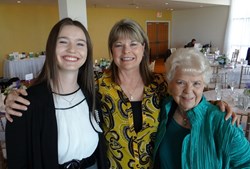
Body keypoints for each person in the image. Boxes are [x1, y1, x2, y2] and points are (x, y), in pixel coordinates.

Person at [5, 19, 235, 169]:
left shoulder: (160, 85)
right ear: (111, 51)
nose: (127, 51)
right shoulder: (95, 85)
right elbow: (59, 87)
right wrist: (15, 95)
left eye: (134, 44)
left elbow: (186, 97)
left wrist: (214, 104)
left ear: (143, 48)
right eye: (118, 45)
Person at [5, 18, 106, 169]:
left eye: (80, 43)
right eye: (63, 42)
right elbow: (17, 161)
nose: (72, 49)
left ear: (88, 51)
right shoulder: (25, 104)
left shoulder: (92, 95)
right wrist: (8, 97)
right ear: (51, 47)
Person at [153, 48, 250, 169]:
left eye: (196, 83)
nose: (188, 91)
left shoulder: (223, 121)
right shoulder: (163, 108)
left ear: (204, 85)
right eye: (180, 82)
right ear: (170, 83)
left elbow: (247, 163)